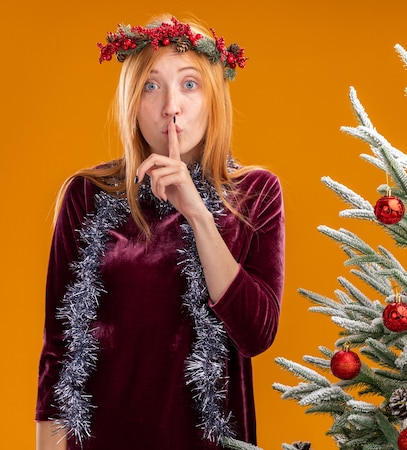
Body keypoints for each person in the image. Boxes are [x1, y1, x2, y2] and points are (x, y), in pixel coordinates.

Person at [35, 16, 285, 450]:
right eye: (152, 86)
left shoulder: (255, 192)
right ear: (131, 101)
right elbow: (58, 349)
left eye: (190, 85)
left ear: (213, 98)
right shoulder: (86, 194)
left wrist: (197, 214)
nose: (171, 105)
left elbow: (255, 333)